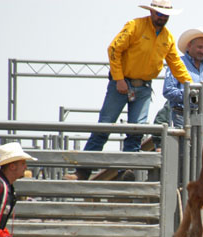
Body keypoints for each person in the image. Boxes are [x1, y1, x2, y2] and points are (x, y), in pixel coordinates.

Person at [65, 0, 192, 181]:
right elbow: (114, 49)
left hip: (144, 86)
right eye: (159, 13)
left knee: (136, 130)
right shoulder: (135, 26)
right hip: (123, 84)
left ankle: (126, 170)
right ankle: (83, 171)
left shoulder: (167, 38)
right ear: (151, 12)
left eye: (165, 15)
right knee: (104, 126)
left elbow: (176, 64)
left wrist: (189, 83)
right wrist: (118, 78)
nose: (162, 17)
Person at [162, 27, 203, 140]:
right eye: (200, 47)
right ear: (189, 45)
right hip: (182, 114)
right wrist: (191, 95)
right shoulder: (177, 64)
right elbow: (168, 90)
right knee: (183, 149)